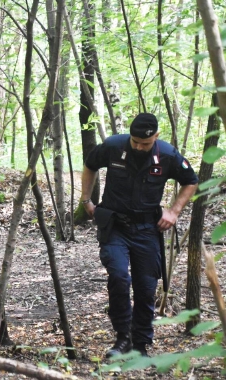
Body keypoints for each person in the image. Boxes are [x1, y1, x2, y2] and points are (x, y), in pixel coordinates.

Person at [80, 113, 198, 358]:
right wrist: (86, 199)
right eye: (135, 142)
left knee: (146, 287)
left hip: (148, 230)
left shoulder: (167, 155)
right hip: (115, 226)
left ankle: (140, 344)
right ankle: (122, 338)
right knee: (120, 277)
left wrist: (174, 211)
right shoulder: (113, 146)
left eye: (144, 143)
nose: (138, 147)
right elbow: (90, 165)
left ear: (156, 136)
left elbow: (191, 181)